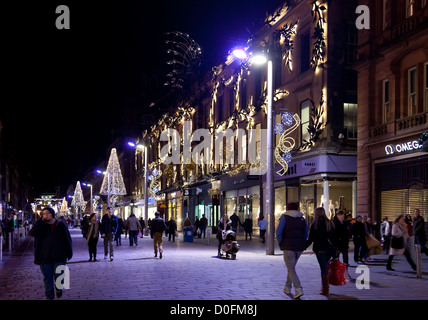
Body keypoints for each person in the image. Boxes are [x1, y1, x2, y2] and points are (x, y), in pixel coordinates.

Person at [29, 207, 73, 300]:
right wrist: (40, 222)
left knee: (59, 276)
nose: (46, 215)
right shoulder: (40, 225)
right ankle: (49, 297)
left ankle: (59, 288)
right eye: (44, 213)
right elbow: (32, 233)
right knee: (47, 278)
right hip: (44, 256)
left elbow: (67, 239)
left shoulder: (60, 225)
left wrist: (69, 252)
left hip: (59, 256)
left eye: (47, 213)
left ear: (52, 214)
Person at [276, 202, 308, 299]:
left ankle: (298, 289)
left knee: (291, 268)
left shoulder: (284, 218)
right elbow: (306, 233)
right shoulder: (302, 219)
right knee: (292, 268)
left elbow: (278, 232)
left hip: (288, 246)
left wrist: (281, 243)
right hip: (299, 247)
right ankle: (287, 288)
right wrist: (302, 243)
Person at [305, 207, 337, 296]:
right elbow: (334, 238)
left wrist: (303, 247)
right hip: (329, 250)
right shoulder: (330, 223)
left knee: (324, 269)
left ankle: (325, 289)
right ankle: (325, 288)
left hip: (320, 250)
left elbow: (311, 239)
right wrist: (335, 252)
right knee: (325, 267)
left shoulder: (315, 224)